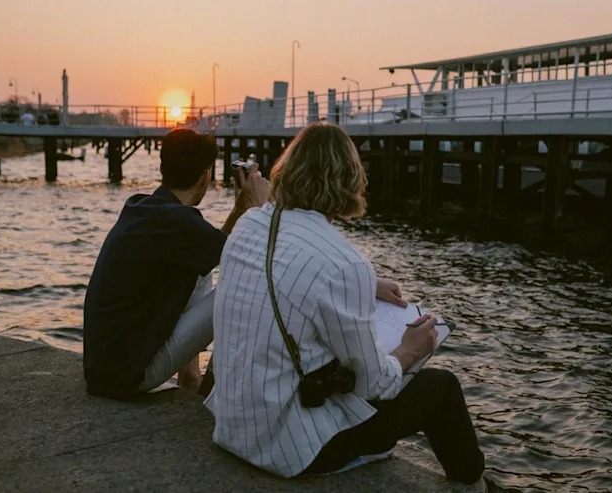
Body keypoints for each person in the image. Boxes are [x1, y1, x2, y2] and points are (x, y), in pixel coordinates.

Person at [206, 123, 487, 489]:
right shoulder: (345, 263)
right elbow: (375, 383)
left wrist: (368, 285)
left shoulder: (249, 224)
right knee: (442, 387)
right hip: (288, 448)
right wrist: (408, 351)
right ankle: (475, 484)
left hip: (232, 425)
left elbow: (284, 269)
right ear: (350, 180)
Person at [83, 128, 269, 399]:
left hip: (105, 370)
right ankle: (213, 392)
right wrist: (258, 207)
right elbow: (248, 256)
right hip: (128, 376)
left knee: (201, 267)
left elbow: (216, 246)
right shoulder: (179, 222)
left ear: (162, 167)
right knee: (243, 283)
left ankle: (191, 377)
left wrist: (241, 209)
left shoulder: (143, 207)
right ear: (206, 175)